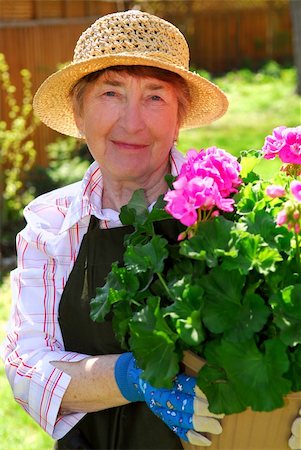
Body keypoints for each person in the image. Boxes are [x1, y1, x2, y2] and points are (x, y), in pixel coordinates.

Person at [1, 9, 229, 450]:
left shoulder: (225, 212)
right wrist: (134, 376)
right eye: (111, 93)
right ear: (78, 111)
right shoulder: (50, 224)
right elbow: (27, 367)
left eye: (155, 97)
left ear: (179, 118)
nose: (132, 122)